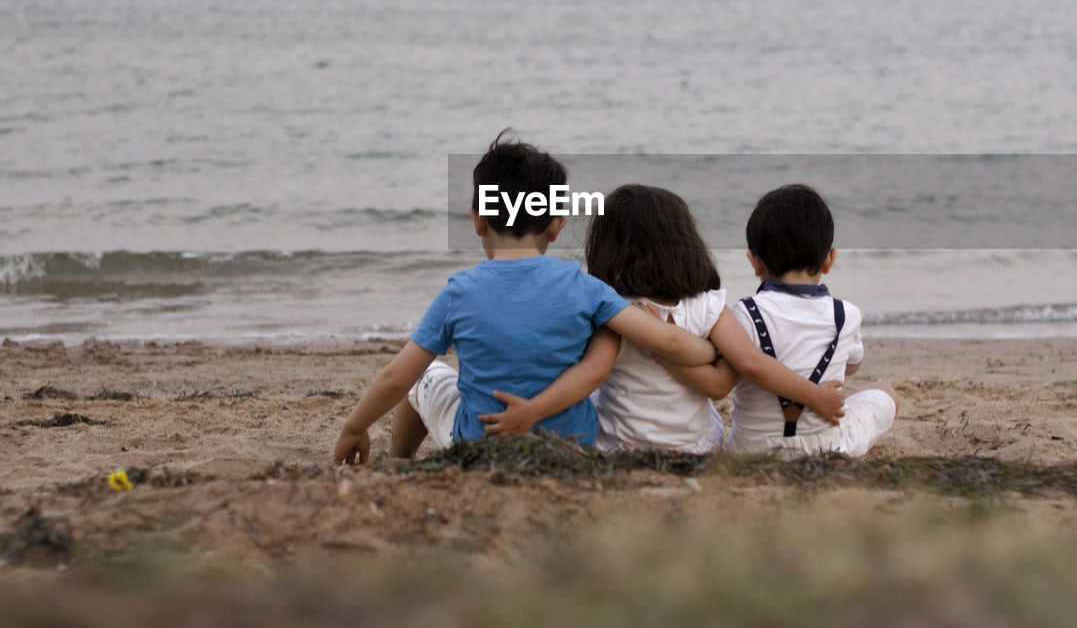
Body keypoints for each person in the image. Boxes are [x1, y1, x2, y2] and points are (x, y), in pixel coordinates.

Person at [331, 135, 717, 465]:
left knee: (426, 378)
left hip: (479, 448)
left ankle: (400, 462)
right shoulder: (585, 287)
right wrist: (705, 351)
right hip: (571, 450)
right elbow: (666, 341)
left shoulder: (459, 292)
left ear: (478, 221)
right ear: (555, 226)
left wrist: (354, 427)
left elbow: (396, 377)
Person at [480, 184, 847, 453]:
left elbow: (591, 373)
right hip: (695, 449)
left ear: (607, 249)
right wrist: (814, 395)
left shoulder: (613, 311)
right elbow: (734, 375)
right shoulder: (708, 305)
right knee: (713, 417)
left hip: (619, 448)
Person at [726, 184, 898, 457]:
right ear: (829, 260)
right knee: (885, 392)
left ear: (754, 262)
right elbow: (852, 367)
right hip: (827, 449)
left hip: (750, 451)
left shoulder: (745, 312)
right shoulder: (845, 315)